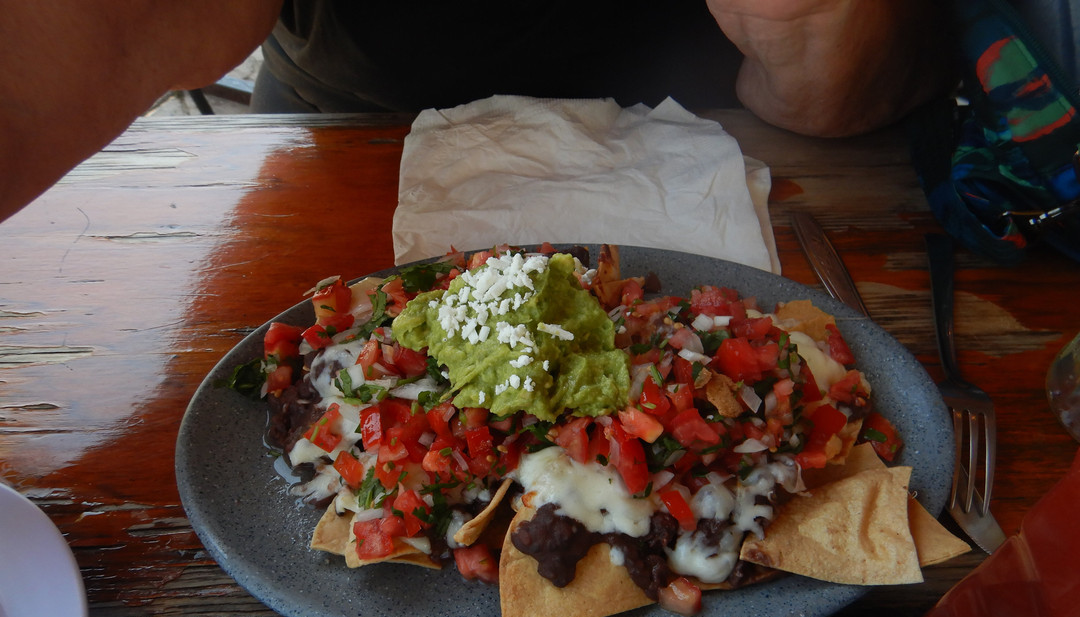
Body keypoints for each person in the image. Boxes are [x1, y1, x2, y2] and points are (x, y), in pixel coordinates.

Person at [0, 1, 953, 225]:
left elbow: (841, 82)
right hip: (352, 142)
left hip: (722, 146)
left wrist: (816, 36)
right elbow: (100, 33)